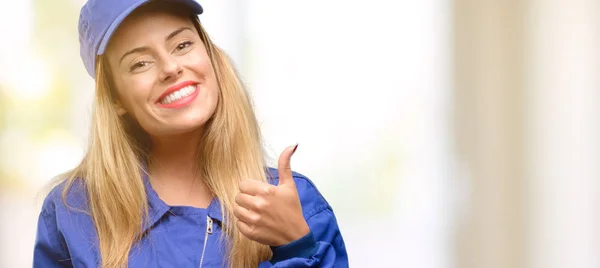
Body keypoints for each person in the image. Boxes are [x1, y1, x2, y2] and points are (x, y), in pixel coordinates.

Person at [32, 0, 348, 267]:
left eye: (182, 45)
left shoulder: (296, 203)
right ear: (115, 98)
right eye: (140, 63)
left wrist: (296, 246)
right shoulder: (72, 212)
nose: (170, 67)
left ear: (209, 55)